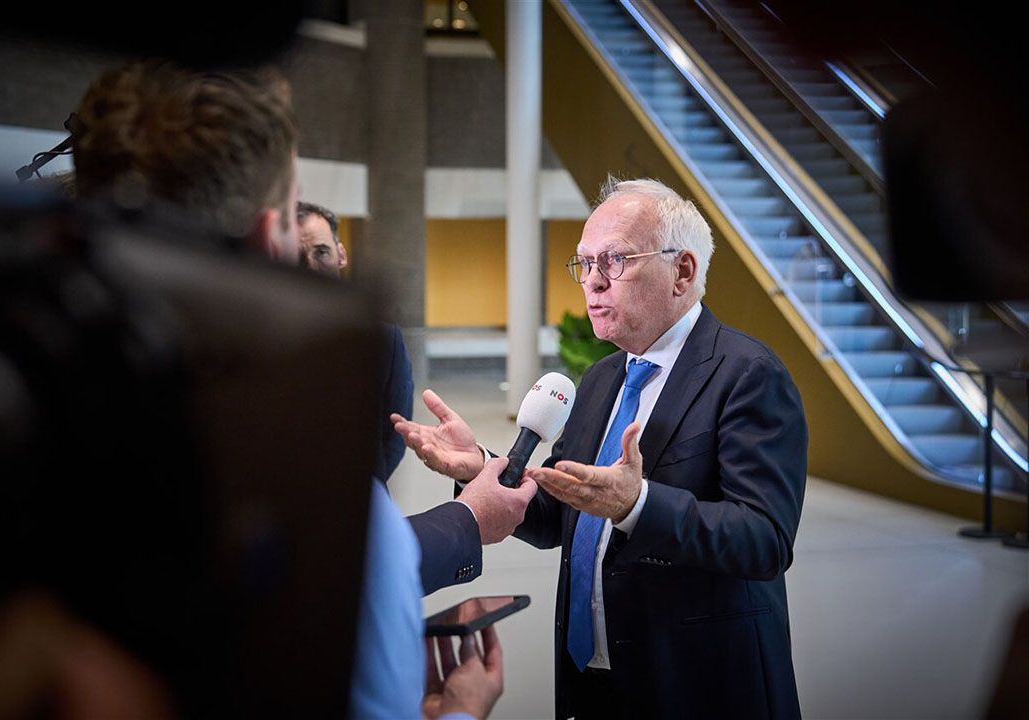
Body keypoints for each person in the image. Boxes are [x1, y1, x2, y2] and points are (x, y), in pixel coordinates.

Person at [72, 59, 521, 718]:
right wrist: (457, 712)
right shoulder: (302, 489)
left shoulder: (28, 428)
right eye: (290, 216)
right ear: (266, 239)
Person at [394, 177, 809, 719]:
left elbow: (764, 540)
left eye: (613, 261)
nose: (592, 282)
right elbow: (555, 514)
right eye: (583, 263)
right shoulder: (598, 380)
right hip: (593, 681)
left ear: (682, 271)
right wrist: (484, 468)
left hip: (697, 683)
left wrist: (636, 506)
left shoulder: (748, 374)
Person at [295, 201, 410, 484]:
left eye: (321, 251)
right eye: (297, 255)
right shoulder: (255, 337)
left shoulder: (384, 340)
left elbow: (394, 435)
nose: (310, 265)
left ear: (341, 254)